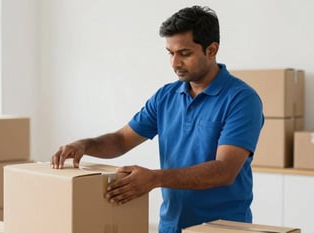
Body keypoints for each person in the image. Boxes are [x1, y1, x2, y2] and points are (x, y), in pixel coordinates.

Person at [51, 5, 264, 233]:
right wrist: (83, 145)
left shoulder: (242, 99)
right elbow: (122, 140)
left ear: (211, 50)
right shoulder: (166, 96)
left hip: (223, 228)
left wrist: (154, 178)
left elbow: (224, 170)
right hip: (172, 226)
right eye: (170, 53)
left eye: (184, 53)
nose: (174, 63)